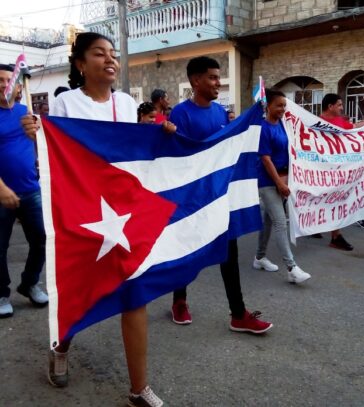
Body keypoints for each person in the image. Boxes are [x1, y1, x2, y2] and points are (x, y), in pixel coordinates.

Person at [21, 32, 163, 407]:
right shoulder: (67, 102)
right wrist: (38, 136)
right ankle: (61, 345)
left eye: (113, 54)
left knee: (134, 292)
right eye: (99, 54)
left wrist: (160, 137)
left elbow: (132, 154)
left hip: (123, 214)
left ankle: (138, 388)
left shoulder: (127, 102)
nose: (110, 59)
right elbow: (59, 157)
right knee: (78, 291)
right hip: (82, 216)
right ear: (81, 64)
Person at [169, 56, 273, 333]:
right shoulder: (180, 114)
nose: (218, 82)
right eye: (213, 77)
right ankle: (179, 301)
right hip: (192, 199)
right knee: (187, 252)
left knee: (229, 253)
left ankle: (238, 313)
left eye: (218, 77)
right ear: (195, 81)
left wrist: (245, 124)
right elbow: (180, 157)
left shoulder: (219, 111)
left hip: (219, 198)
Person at [0, 64, 49, 319]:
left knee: (41, 239)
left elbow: (41, 148)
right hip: (0, 193)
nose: (3, 84)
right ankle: (1, 293)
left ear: (17, 86)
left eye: (8, 80)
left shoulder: (25, 112)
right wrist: (2, 189)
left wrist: (36, 134)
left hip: (31, 189)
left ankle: (29, 283)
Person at [254, 89, 311, 284]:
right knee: (280, 221)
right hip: (267, 181)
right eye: (279, 105)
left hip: (283, 179)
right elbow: (265, 158)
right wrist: (278, 182)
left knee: (269, 221)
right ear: (268, 106)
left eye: (284, 105)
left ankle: (260, 257)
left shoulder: (283, 125)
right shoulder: (263, 128)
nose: (282, 109)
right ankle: (291, 267)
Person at [317, 93, 360, 250]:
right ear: (330, 106)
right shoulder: (316, 123)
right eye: (340, 105)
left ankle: (336, 235)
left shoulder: (338, 122)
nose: (342, 108)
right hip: (319, 169)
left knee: (335, 199)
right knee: (319, 198)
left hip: (336, 170)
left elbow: (355, 128)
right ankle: (325, 231)